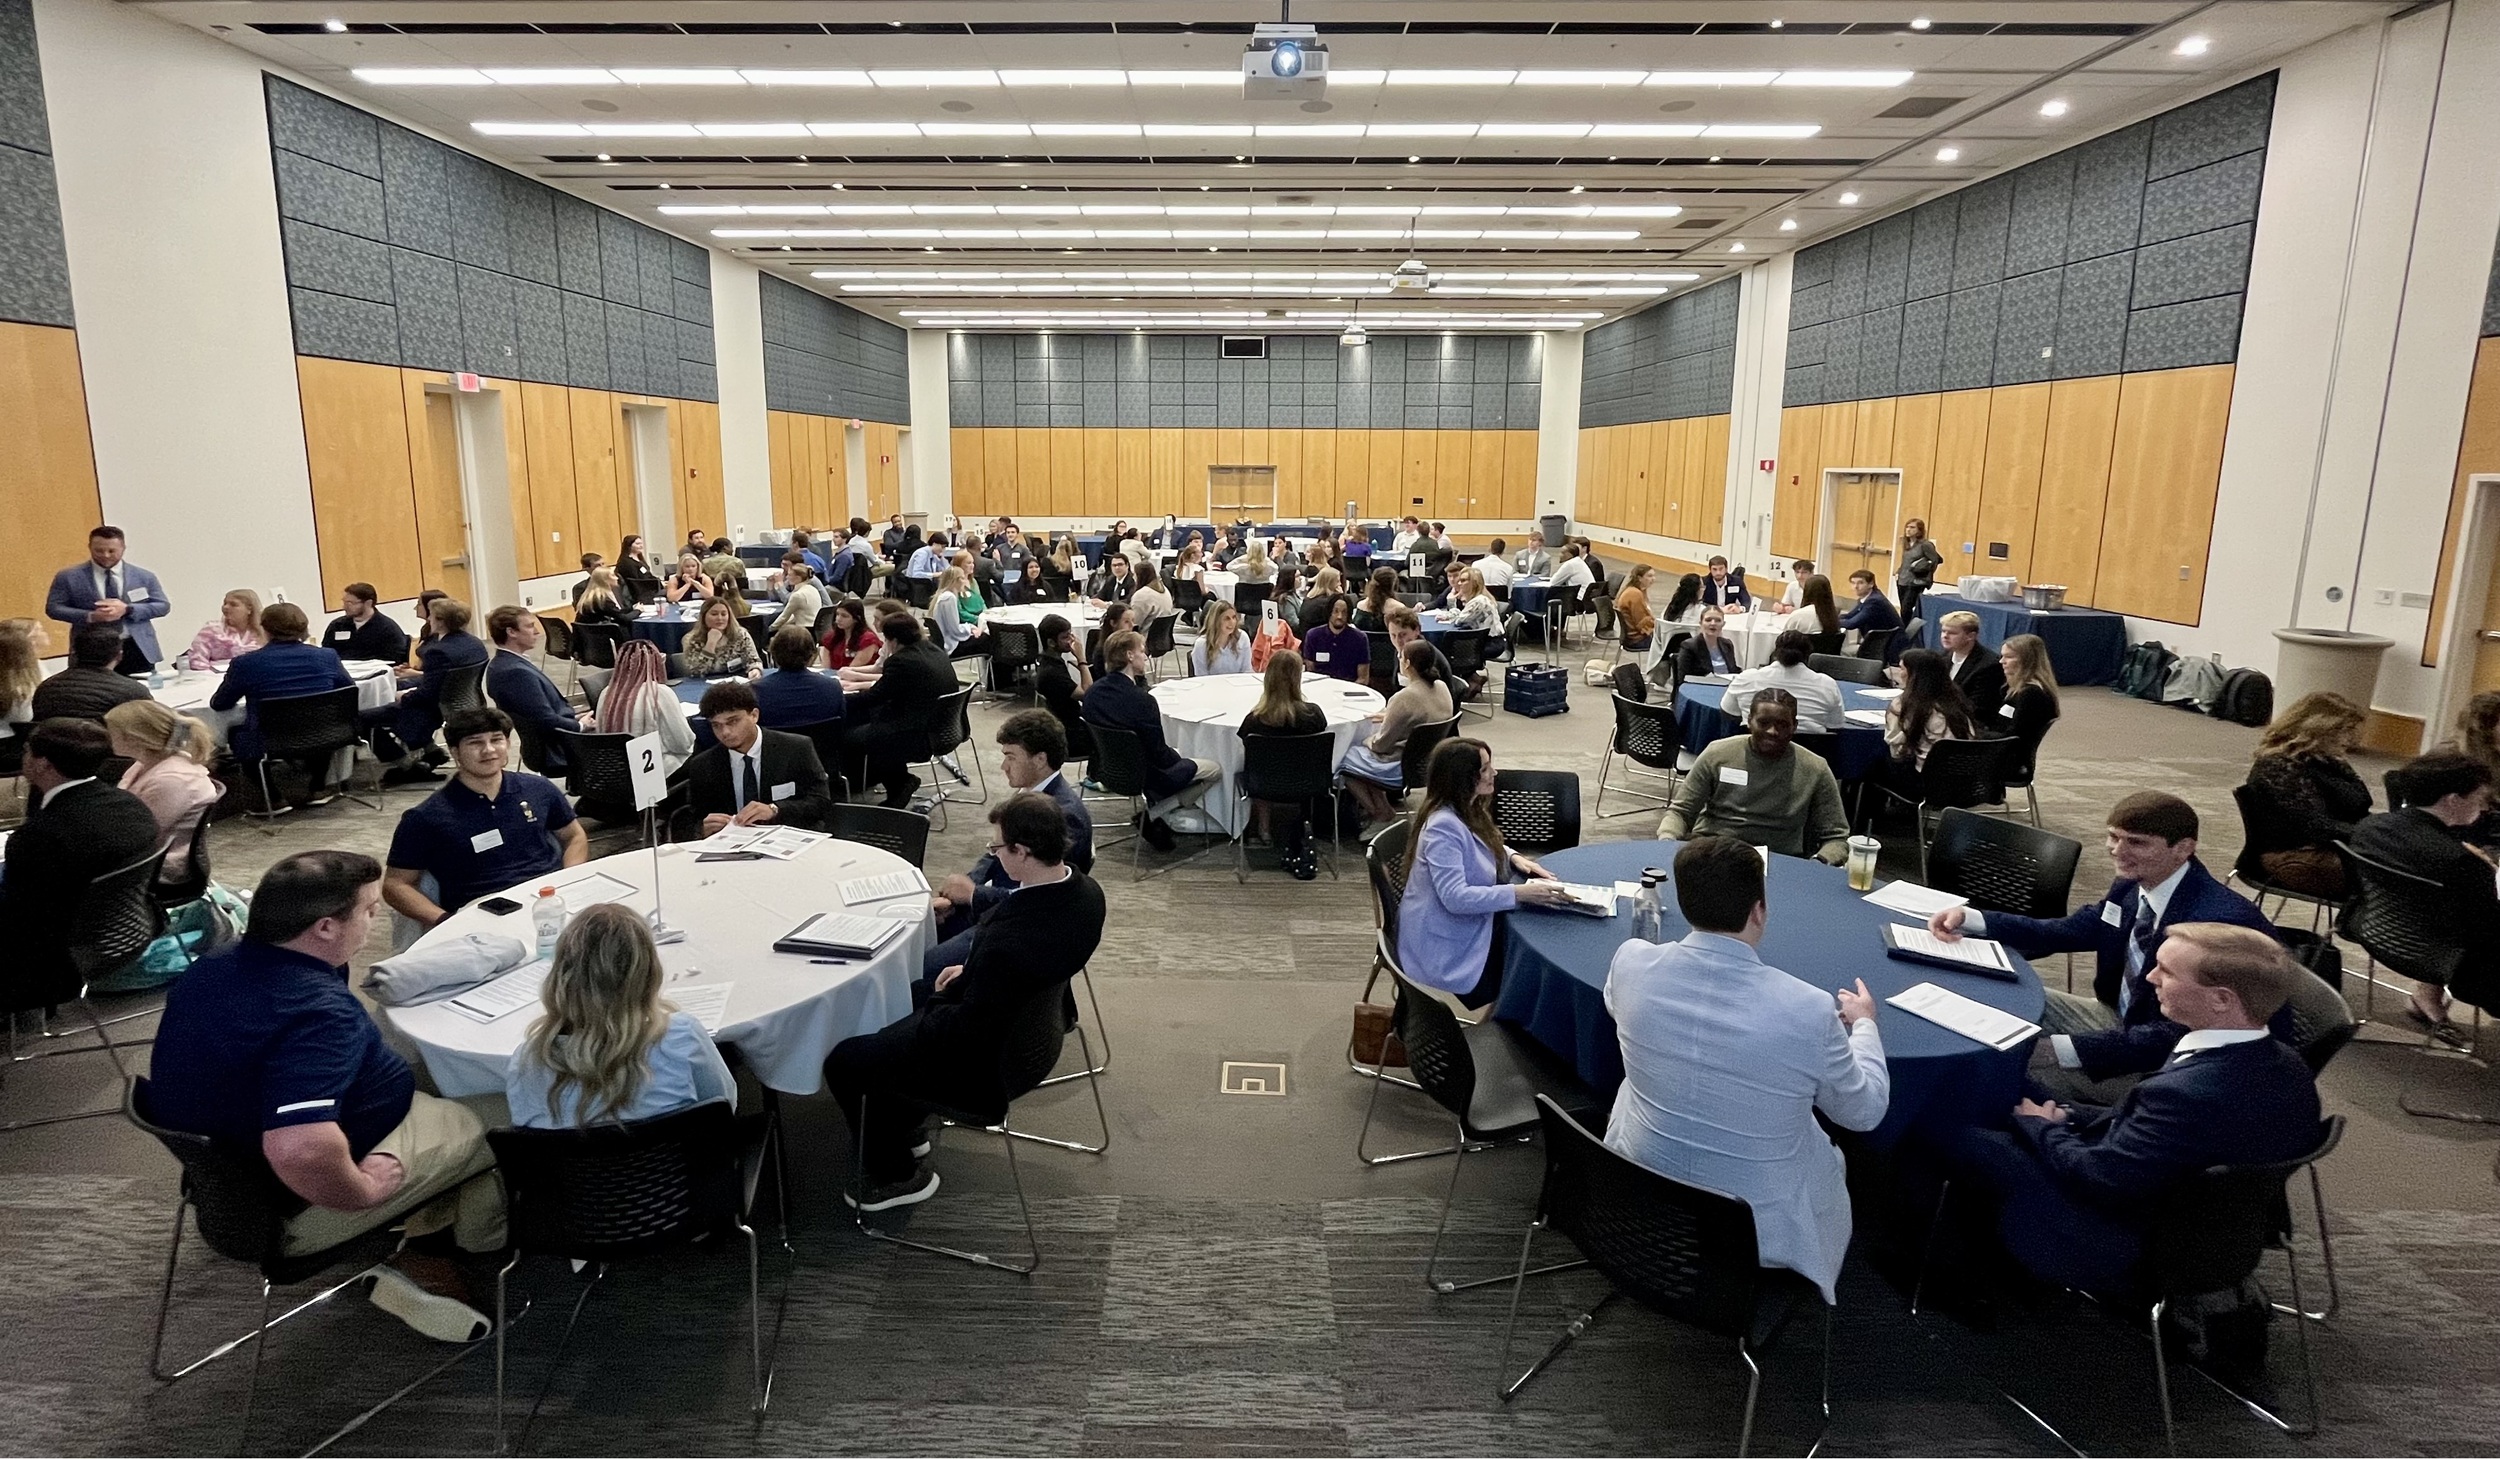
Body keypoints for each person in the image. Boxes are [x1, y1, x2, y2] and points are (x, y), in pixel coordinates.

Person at [149, 851, 506, 1340]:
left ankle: (434, 1229)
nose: (374, 919)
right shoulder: (317, 1014)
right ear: (323, 928)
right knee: (504, 1109)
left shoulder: (213, 967)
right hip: (301, 1201)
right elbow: (299, 1147)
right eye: (368, 911)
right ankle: (473, 1256)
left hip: (237, 1179)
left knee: (436, 1072)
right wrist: (363, 1191)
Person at [1939, 923, 2322, 1297]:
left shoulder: (2185, 1094)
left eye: (2167, 972)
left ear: (2221, 999)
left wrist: (2043, 1128)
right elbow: (2150, 1134)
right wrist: (2066, 1115)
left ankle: (1946, 1265)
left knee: (1950, 1130)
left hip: (2122, 1237)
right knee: (2012, 1085)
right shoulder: (2287, 1064)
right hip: (2199, 1222)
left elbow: (2099, 1177)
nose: (2151, 977)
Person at [1603, 834, 1887, 1302]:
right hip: (1759, 1223)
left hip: (1641, 1177)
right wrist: (1866, 1028)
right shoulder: (1808, 1010)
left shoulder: (1631, 961)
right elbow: (1864, 1112)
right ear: (1759, 911)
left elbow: (1617, 1008)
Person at [824, 791, 1106, 1210]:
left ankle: (897, 1174)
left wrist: (940, 999)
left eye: (997, 847)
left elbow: (966, 1031)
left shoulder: (1007, 945)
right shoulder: (1086, 893)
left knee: (846, 1059)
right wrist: (970, 974)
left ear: (1021, 852)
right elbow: (1020, 967)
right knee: (904, 1005)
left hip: (989, 1065)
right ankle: (902, 1119)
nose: (993, 853)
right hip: (1037, 1035)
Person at [1927, 791, 2282, 1102]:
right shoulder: (2133, 885)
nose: (2117, 851)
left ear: (2183, 849)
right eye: (2113, 837)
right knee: (2000, 992)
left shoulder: (2217, 923)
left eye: (2137, 842)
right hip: (2124, 1020)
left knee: (2001, 1068)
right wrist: (1973, 919)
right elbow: (2069, 931)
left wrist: (2062, 1051)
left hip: (2174, 1065)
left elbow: (2180, 1034)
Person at [505, 902, 735, 1130]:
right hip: (677, 1165)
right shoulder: (681, 1036)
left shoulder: (527, 1061)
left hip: (573, 1166)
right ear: (648, 972)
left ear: (560, 976)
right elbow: (724, 1108)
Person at [1395, 737, 1573, 1007]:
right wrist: (1520, 893)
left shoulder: (1466, 807)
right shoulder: (1442, 827)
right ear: (1464, 778)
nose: (1494, 773)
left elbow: (1479, 840)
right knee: (1529, 965)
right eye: (1486, 768)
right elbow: (1456, 899)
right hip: (1444, 944)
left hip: (1455, 921)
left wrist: (1513, 857)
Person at [383, 707, 588, 929]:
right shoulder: (425, 817)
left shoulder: (538, 789)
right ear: (455, 752)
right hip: (485, 912)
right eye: (475, 743)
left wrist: (568, 881)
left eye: (496, 740)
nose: (488, 750)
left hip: (548, 897)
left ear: (508, 744)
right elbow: (395, 884)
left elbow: (574, 835)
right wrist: (445, 921)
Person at [2, 718, 164, 996]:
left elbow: (19, 916)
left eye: (28, 750)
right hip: (131, 930)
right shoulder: (130, 805)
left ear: (43, 763)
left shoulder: (39, 837)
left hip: (59, 954)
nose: (23, 756)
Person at [924, 711, 1093, 976]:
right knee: (908, 934)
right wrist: (955, 899)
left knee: (917, 971)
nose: (1003, 767)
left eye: (1010, 757)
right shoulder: (1030, 794)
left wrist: (973, 895)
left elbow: (1042, 899)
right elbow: (993, 855)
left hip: (1018, 927)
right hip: (994, 907)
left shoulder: (1063, 816)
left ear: (1040, 759)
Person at [2351, 751, 2500, 1029]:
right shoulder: (2461, 862)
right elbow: (2488, 930)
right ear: (2453, 800)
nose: (2483, 808)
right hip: (2446, 959)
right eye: (2479, 799)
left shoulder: (2370, 827)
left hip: (2377, 934)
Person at [1659, 691, 1850, 864]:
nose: (1772, 732)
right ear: (1749, 721)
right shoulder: (1717, 753)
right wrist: (1667, 840)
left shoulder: (1815, 768)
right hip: (1713, 852)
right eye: (1764, 723)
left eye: (1782, 725)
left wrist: (1819, 862)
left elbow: (1837, 837)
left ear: (1795, 727)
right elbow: (1680, 813)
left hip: (1780, 860)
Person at [1081, 628, 1218, 850]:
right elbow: (1162, 757)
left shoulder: (1092, 694)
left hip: (1105, 769)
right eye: (1141, 651)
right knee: (1215, 769)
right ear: (1129, 656)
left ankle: (1160, 813)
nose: (1145, 656)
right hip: (1147, 775)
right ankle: (1155, 814)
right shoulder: (1143, 701)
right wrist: (1180, 754)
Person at [2239, 691, 2371, 899]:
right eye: (2342, 731)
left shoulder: (2330, 761)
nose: (2349, 739)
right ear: (2317, 728)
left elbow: (2359, 805)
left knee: (2408, 862)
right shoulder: (2278, 765)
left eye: (2350, 731)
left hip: (2335, 846)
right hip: (2294, 855)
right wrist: (2376, 834)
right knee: (2393, 877)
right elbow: (2314, 826)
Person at [210, 601, 354, 770]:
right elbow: (347, 689)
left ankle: (273, 794)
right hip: (328, 733)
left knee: (236, 733)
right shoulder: (327, 656)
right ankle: (318, 783)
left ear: (265, 629)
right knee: (317, 724)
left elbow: (220, 703)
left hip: (268, 739)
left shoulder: (246, 663)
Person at [683, 679, 836, 835]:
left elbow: (821, 802)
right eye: (716, 725)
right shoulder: (703, 765)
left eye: (733, 721)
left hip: (786, 837)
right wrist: (701, 828)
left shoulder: (796, 748)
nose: (725, 732)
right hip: (732, 845)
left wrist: (775, 810)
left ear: (754, 715)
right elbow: (689, 820)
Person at [841, 612, 953, 809]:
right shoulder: (934, 651)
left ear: (892, 640)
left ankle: (899, 783)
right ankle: (895, 780)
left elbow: (874, 697)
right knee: (872, 724)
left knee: (852, 737)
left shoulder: (901, 661)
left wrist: (838, 698)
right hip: (944, 727)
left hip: (917, 731)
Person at [1339, 639, 1453, 823]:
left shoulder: (1404, 698)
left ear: (1407, 663)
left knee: (1346, 757)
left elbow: (1380, 746)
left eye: (1400, 656)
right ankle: (1381, 807)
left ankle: (1378, 811)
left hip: (1398, 765)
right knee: (1362, 755)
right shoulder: (1441, 687)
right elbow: (1425, 715)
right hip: (1427, 762)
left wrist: (1367, 739)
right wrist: (1392, 717)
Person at [1237, 649, 1328, 878]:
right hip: (1308, 782)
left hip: (1263, 784)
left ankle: (1263, 829)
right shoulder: (1313, 715)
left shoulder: (1254, 720)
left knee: (1261, 765)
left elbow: (1246, 752)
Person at [104, 699, 221, 880]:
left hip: (161, 867)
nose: (107, 736)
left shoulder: (172, 779)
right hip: (147, 856)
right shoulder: (144, 765)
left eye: (112, 732)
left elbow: (141, 833)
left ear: (134, 738)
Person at [385, 596, 488, 782]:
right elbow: (441, 679)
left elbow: (427, 694)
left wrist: (403, 696)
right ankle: (430, 750)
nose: (429, 620)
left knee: (368, 717)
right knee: (397, 688)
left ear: (440, 621)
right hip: (467, 700)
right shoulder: (474, 643)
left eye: (431, 616)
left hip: (439, 704)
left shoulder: (438, 651)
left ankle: (407, 765)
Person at [46, 525, 170, 674]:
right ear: (90, 547)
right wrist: (90, 616)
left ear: (123, 548)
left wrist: (127, 609)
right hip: (91, 647)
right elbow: (53, 608)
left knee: (140, 693)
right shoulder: (68, 577)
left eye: (112, 551)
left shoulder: (144, 576)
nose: (105, 555)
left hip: (136, 646)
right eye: (98, 550)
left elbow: (162, 605)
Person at [483, 606, 587, 779]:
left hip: (558, 733)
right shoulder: (514, 673)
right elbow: (545, 721)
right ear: (511, 632)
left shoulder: (508, 663)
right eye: (530, 626)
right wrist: (581, 726)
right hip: (556, 748)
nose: (537, 632)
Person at [593, 639, 695, 773]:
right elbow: (682, 742)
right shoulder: (659, 692)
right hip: (652, 772)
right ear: (656, 663)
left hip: (612, 771)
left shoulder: (606, 693)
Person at [1719, 630, 1847, 731]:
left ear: (1775, 652)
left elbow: (1729, 713)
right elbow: (1835, 725)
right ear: (1808, 655)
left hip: (1753, 753)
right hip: (1810, 756)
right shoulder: (1827, 684)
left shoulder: (1746, 678)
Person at [30, 623, 150, 724]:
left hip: (52, 750)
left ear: (74, 653)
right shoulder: (132, 691)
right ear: (119, 656)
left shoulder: (45, 688)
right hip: (104, 750)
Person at [1882, 647, 1974, 775]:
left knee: (1873, 765)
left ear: (1913, 674)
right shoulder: (1956, 700)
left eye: (1902, 668)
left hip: (1927, 780)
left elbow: (1896, 752)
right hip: (1963, 777)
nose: (1898, 673)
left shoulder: (1905, 704)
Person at [1992, 632, 2062, 780]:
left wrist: (1977, 735)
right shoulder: (2012, 690)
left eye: (2009, 657)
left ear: (2027, 661)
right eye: (2002, 656)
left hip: (2012, 761)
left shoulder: (2032, 695)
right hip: (2000, 751)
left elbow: (2015, 736)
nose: (2001, 662)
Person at [753, 624, 846, 729]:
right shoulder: (833, 687)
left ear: (773, 653)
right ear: (811, 655)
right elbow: (841, 725)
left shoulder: (755, 691)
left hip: (774, 745)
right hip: (822, 745)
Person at [1033, 613, 1093, 760]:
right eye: (1065, 637)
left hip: (1062, 725)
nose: (1071, 640)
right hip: (1069, 736)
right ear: (1051, 643)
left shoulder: (1046, 661)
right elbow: (1088, 693)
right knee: (1112, 738)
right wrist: (1082, 660)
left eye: (1071, 635)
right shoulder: (1052, 673)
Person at [1937, 610, 2007, 720]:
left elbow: (1978, 708)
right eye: (1943, 631)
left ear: (1971, 636)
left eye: (1952, 633)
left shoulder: (1989, 665)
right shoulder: (1943, 656)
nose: (1945, 636)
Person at [324, 582, 411, 665]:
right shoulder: (337, 626)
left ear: (368, 603)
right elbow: (326, 652)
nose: (345, 607)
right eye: (344, 602)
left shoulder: (387, 628)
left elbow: (395, 658)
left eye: (350, 603)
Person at [180, 588, 266, 671]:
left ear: (249, 609)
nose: (226, 607)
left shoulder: (263, 633)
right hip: (214, 680)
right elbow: (197, 662)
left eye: (233, 604)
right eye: (225, 603)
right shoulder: (211, 630)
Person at [680, 595, 758, 678]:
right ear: (704, 617)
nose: (720, 618)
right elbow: (697, 672)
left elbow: (753, 660)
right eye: (714, 614)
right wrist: (710, 644)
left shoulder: (741, 634)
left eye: (724, 614)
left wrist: (755, 670)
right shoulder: (691, 639)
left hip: (737, 682)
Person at [1841, 569, 1904, 660]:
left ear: (1871, 584)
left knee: (1842, 651)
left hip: (1888, 646)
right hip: (1884, 643)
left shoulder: (1874, 601)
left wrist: (1830, 621)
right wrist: (1833, 617)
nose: (1856, 587)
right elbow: (1850, 616)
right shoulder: (1869, 598)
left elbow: (1852, 624)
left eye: (1860, 583)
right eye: (1853, 583)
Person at [930, 566, 987, 660]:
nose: (965, 582)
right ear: (955, 581)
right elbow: (955, 630)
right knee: (989, 640)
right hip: (952, 645)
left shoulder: (943, 596)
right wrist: (970, 628)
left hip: (947, 641)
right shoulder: (949, 598)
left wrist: (971, 628)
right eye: (962, 578)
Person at [0, 618, 44, 741]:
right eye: (38, 631)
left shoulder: (37, 666)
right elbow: (23, 718)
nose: (44, 635)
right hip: (13, 739)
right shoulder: (19, 687)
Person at [1675, 604, 1744, 681]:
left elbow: (1734, 671)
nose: (1713, 623)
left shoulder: (1727, 644)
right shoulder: (1689, 646)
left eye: (1718, 620)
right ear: (1701, 623)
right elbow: (1682, 679)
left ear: (1723, 624)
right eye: (1708, 620)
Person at [1895, 518, 1944, 624]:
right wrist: (1898, 571)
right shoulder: (1906, 544)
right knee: (1903, 608)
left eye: (1912, 527)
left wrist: (1924, 572)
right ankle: (1906, 628)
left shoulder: (1925, 545)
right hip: (1902, 579)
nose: (1908, 530)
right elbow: (1906, 561)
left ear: (1919, 530)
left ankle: (1906, 632)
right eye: (1907, 527)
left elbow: (1935, 560)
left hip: (1916, 581)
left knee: (1906, 609)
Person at [819, 597, 883, 676]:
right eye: (837, 614)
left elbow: (853, 668)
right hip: (834, 677)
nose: (838, 619)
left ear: (856, 619)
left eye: (844, 616)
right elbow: (826, 668)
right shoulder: (830, 637)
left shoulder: (868, 640)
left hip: (857, 679)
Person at [1191, 601, 1253, 677]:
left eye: (1234, 617)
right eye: (1227, 619)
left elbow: (1247, 670)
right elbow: (1201, 676)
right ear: (1216, 621)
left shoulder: (1242, 638)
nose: (1232, 622)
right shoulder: (1201, 645)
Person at [571, 567, 639, 634]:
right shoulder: (603, 600)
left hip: (588, 639)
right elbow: (624, 619)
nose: (617, 578)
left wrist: (631, 609)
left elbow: (615, 612)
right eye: (613, 575)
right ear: (605, 580)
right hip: (602, 638)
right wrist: (638, 610)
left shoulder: (589, 596)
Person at [1086, 603, 1135, 681]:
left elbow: (1140, 677)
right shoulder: (1102, 651)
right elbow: (1104, 679)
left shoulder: (1133, 644)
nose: (1132, 625)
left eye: (1133, 620)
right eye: (1126, 622)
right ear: (1113, 623)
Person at [1614, 565, 1657, 652]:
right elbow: (1641, 623)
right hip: (1636, 639)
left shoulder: (1635, 590)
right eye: (1649, 576)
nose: (1653, 579)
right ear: (1639, 578)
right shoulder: (1634, 594)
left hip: (1632, 637)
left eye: (1653, 576)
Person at [1795, 574, 1843, 643]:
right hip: (1828, 653)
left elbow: (1784, 639)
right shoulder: (1833, 618)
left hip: (1802, 653)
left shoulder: (1798, 616)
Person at [614, 534, 661, 604]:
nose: (641, 546)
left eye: (641, 543)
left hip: (648, 587)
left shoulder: (640, 559)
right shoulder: (626, 563)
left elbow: (647, 574)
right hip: (639, 592)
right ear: (629, 545)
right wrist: (656, 583)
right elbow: (636, 581)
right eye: (637, 544)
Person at [1128, 560, 1174, 626]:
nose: (1133, 577)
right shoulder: (1164, 589)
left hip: (1144, 634)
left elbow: (1134, 623)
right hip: (1161, 633)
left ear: (1140, 576)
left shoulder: (1142, 595)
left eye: (1134, 574)